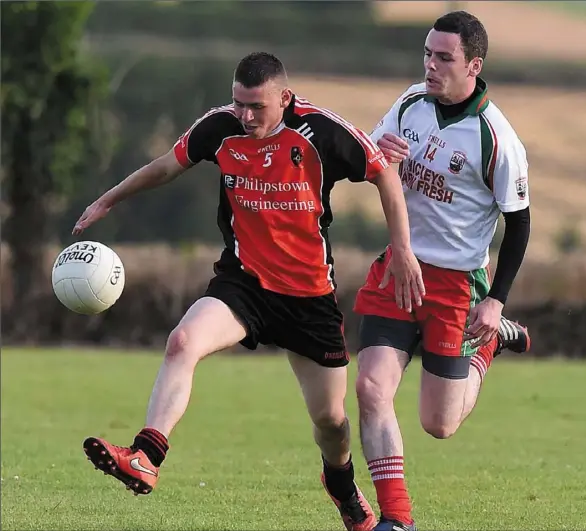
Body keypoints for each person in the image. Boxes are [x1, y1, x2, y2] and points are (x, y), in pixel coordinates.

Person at [73, 52, 424, 531]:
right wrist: (108, 199)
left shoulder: (322, 132)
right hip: (244, 283)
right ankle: (146, 455)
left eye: (256, 106)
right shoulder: (220, 127)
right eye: (238, 103)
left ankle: (341, 484)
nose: (245, 115)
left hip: (308, 297)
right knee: (182, 342)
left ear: (284, 97)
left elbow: (382, 171)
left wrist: (401, 248)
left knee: (331, 423)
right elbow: (166, 167)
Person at [352, 11, 531, 531]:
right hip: (400, 266)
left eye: (444, 58)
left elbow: (519, 226)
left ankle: (490, 341)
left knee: (439, 423)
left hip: (457, 285)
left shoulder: (496, 138)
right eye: (427, 54)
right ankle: (397, 519)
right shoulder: (411, 101)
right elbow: (371, 155)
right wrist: (378, 155)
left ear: (474, 65)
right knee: (369, 388)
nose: (431, 65)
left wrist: (494, 300)